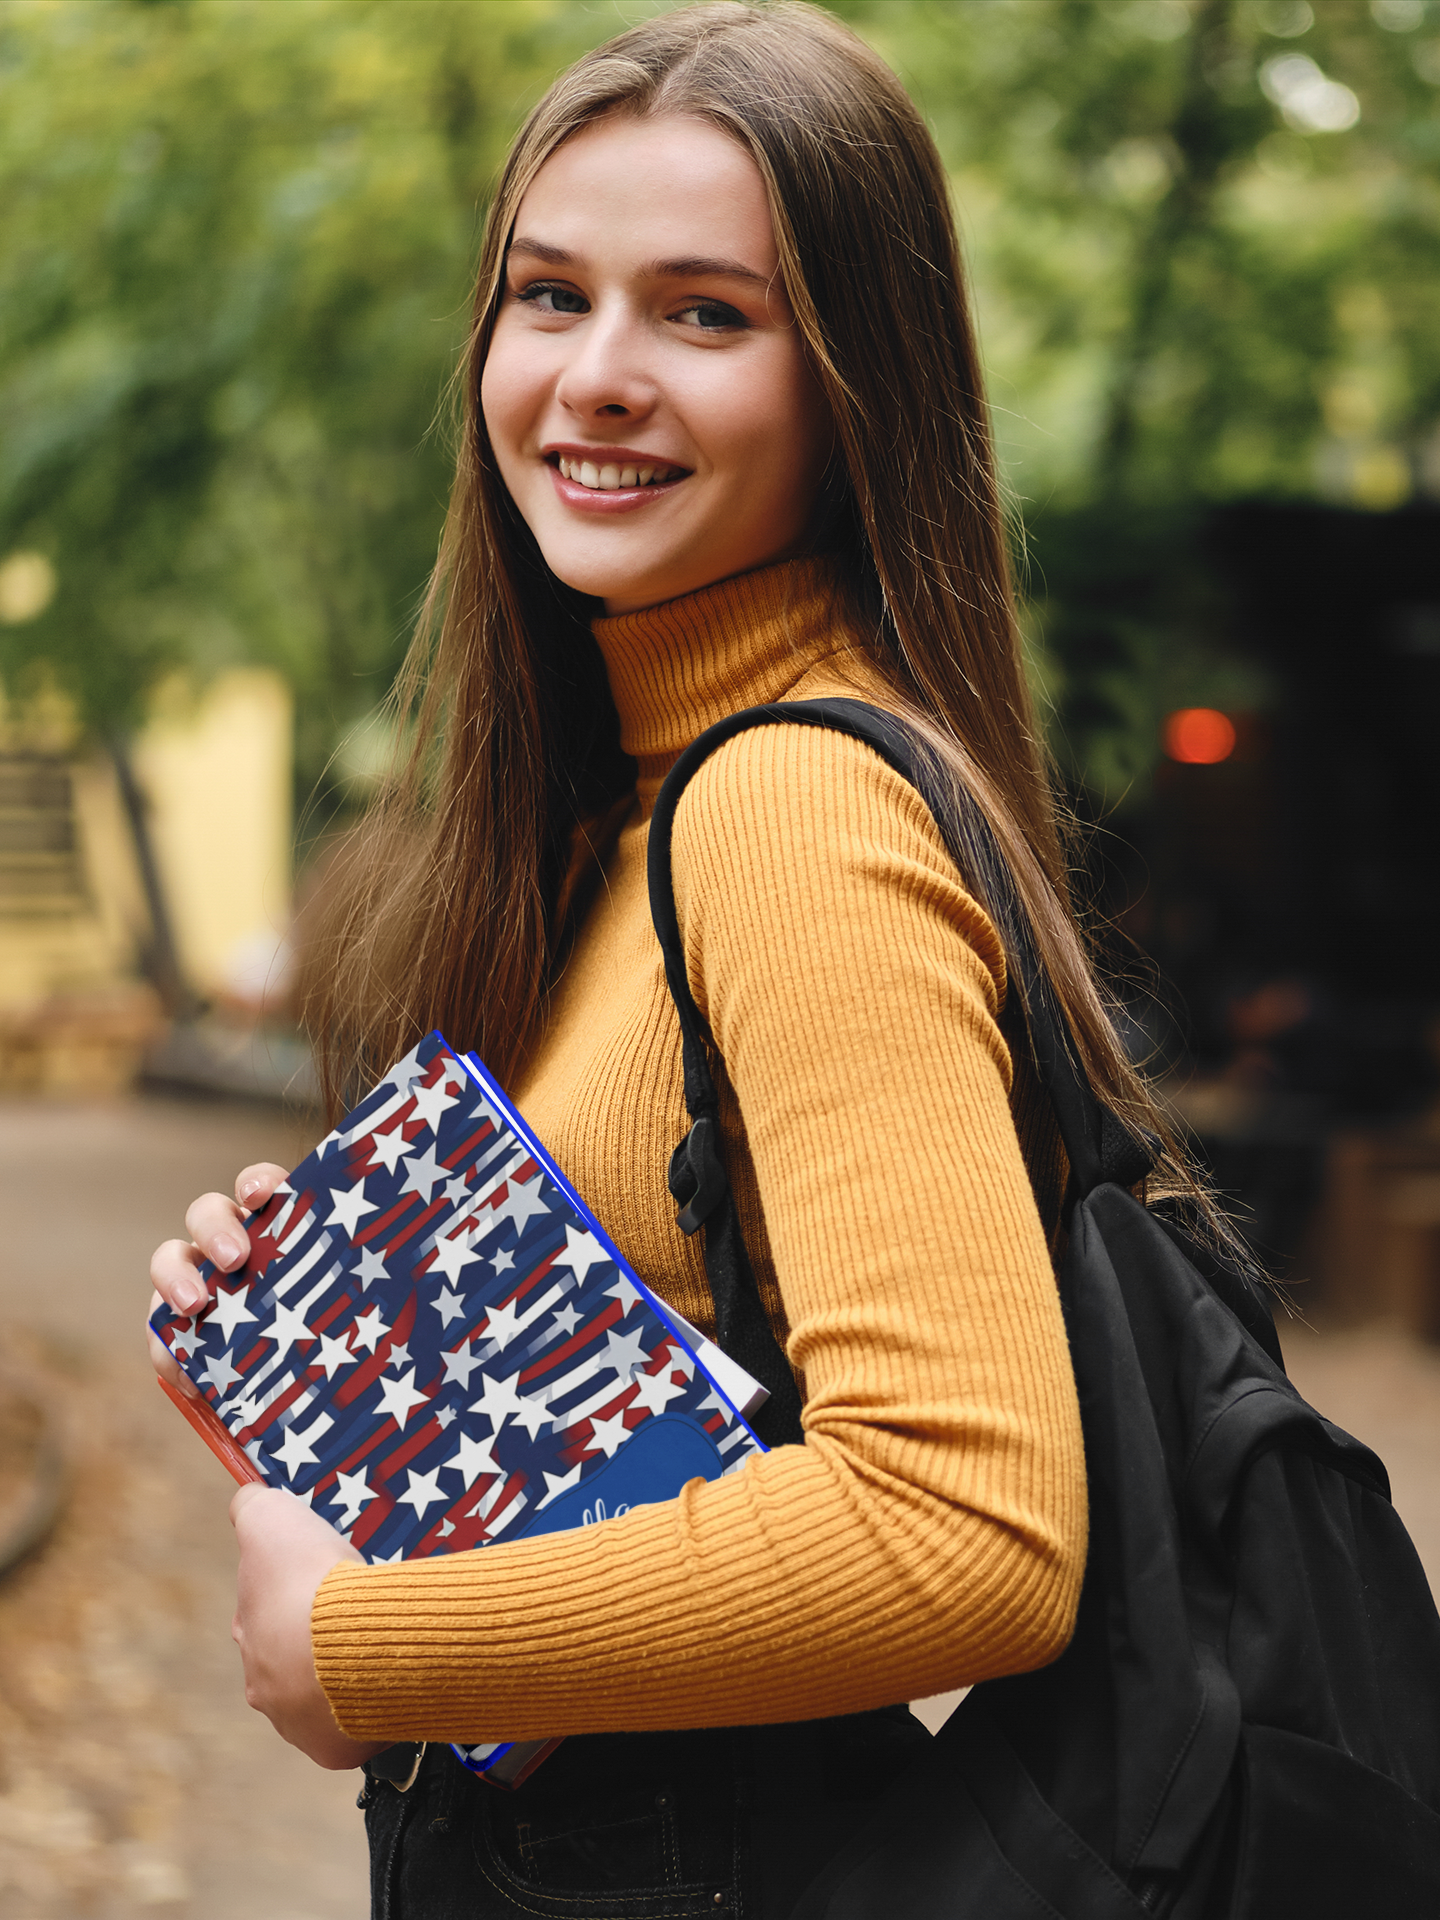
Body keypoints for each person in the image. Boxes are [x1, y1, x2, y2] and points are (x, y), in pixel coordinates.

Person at [147, 6, 1209, 1913]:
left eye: (706, 315)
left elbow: (962, 1527)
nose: (596, 375)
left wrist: (368, 1650)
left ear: (854, 383)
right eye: (548, 295)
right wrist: (354, 1360)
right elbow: (695, 1445)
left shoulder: (790, 814)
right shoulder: (606, 818)